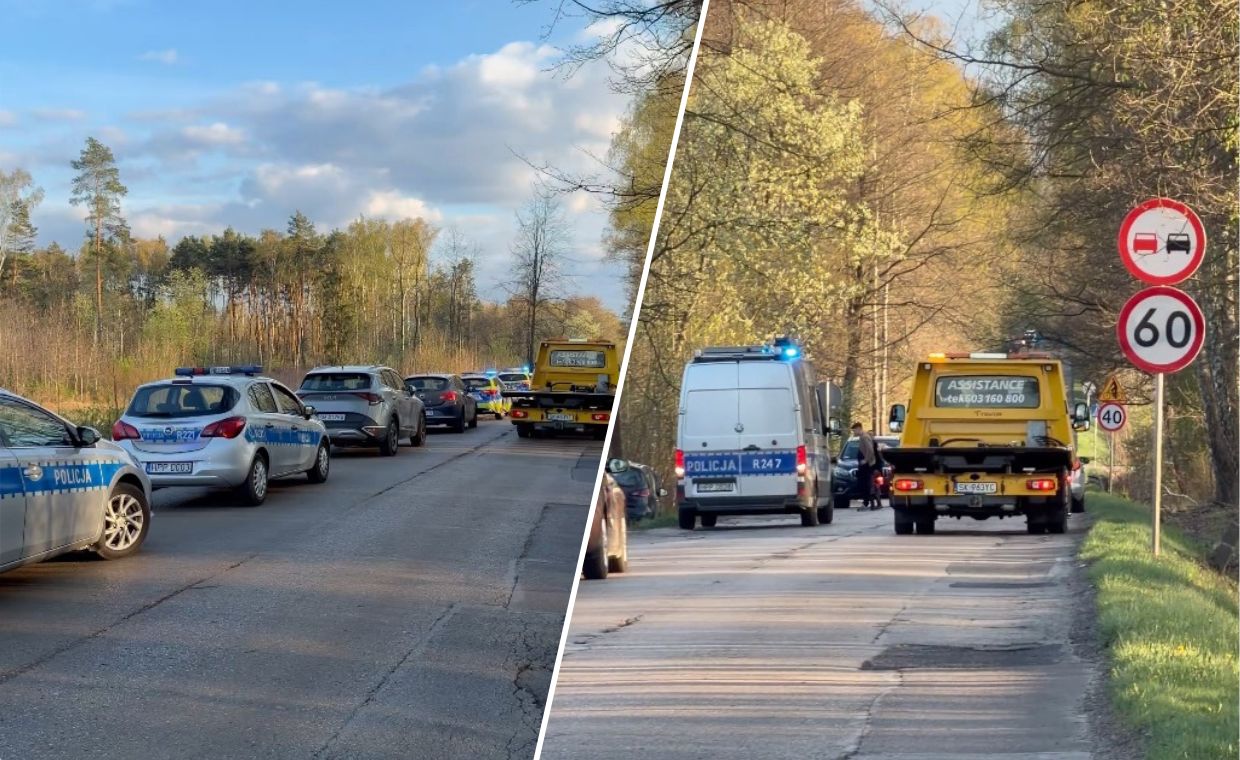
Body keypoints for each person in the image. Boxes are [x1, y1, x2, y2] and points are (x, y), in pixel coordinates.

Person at [852, 422, 879, 510]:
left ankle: (866, 502)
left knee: (865, 483)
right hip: (864, 465)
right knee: (864, 483)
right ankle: (868, 501)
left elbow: (870, 450)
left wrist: (865, 460)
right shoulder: (862, 437)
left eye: (855, 430)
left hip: (866, 465)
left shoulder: (865, 437)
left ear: (859, 428)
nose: (854, 432)